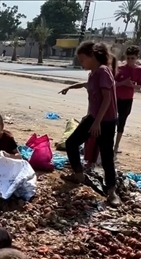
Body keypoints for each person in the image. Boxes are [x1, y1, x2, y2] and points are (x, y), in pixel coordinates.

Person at [58, 41, 120, 207]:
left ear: (92, 56)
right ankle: (79, 175)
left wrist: (97, 123)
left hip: (105, 121)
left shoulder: (103, 71)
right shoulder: (93, 73)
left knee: (106, 157)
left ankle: (112, 192)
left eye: (83, 60)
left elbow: (107, 99)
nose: (81, 63)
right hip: (93, 118)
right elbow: (87, 85)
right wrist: (71, 87)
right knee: (71, 143)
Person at [114, 45, 141, 155]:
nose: (130, 60)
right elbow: (113, 84)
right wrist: (123, 83)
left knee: (122, 122)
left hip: (127, 99)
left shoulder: (138, 70)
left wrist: (131, 85)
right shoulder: (120, 69)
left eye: (132, 58)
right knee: (111, 120)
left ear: (136, 58)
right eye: (128, 58)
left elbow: (139, 86)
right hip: (116, 98)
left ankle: (116, 146)